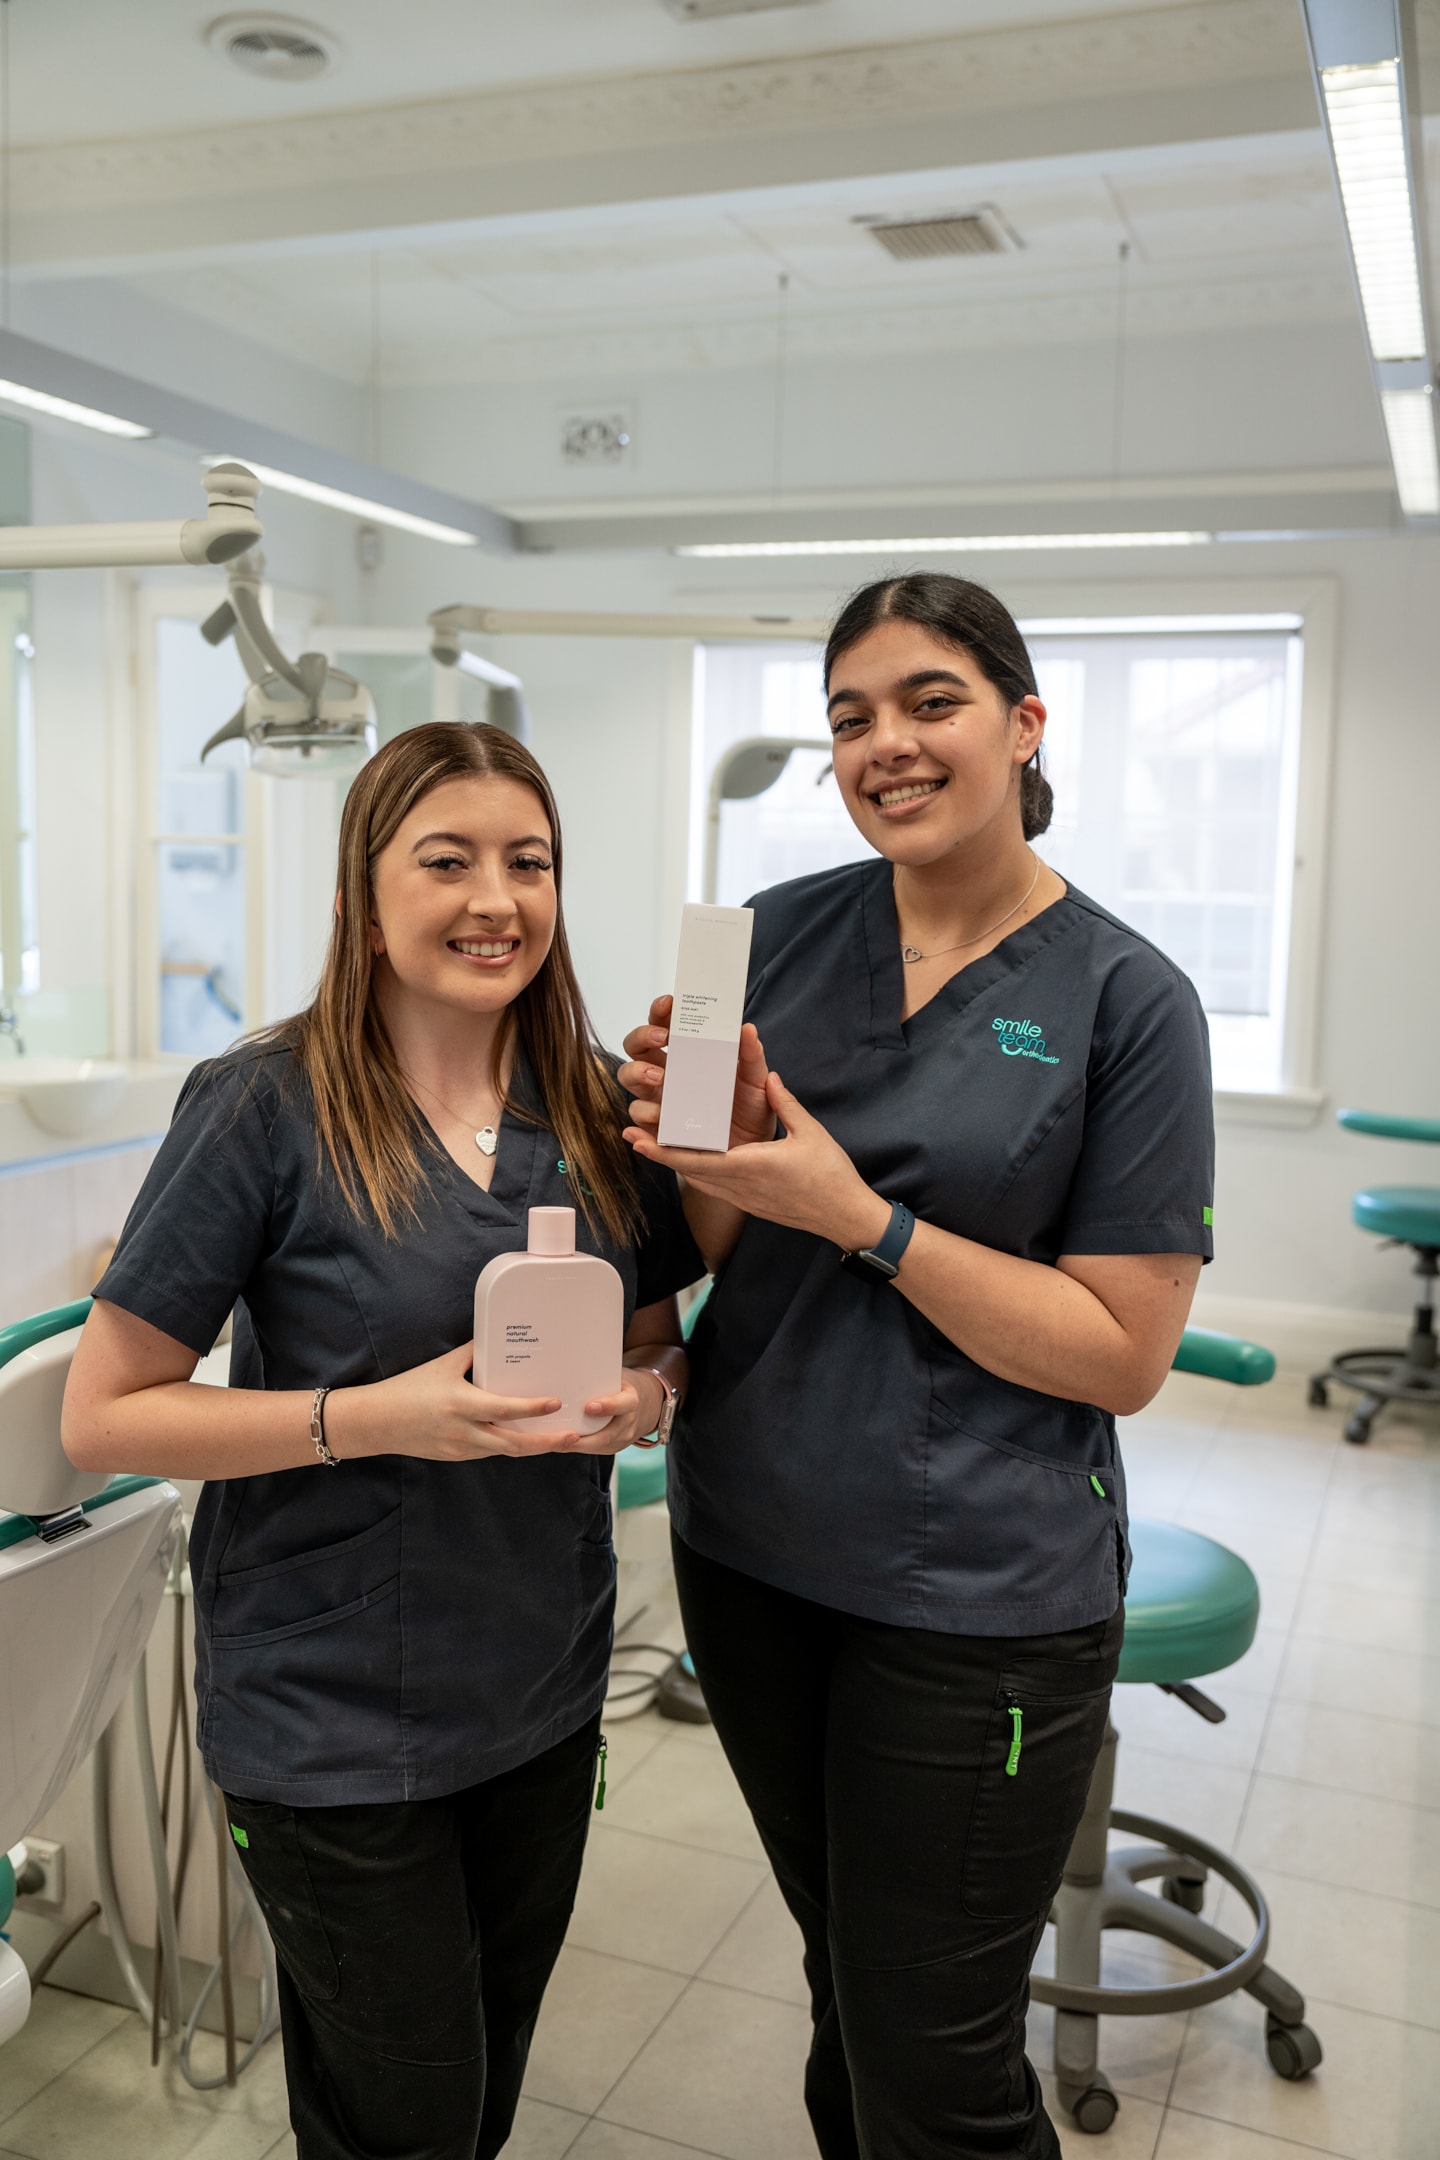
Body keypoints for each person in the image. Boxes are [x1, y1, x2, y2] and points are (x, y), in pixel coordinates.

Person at [620, 574, 1214, 2160]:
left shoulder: (1125, 1000)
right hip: (749, 1550)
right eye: (850, 717)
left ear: (1024, 725)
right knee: (847, 1992)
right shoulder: (774, 939)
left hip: (978, 1603)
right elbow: (717, 1240)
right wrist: (712, 1143)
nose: (886, 742)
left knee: (938, 2059)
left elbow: (1122, 1353)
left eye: (929, 701)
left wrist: (860, 1217)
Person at [63, 721, 700, 2160]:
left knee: (479, 2096)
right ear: (364, 890)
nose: (499, 898)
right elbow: (104, 1412)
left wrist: (645, 1401)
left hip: (537, 1690)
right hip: (332, 1717)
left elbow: (659, 1339)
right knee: (400, 2120)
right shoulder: (264, 1106)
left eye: (529, 862)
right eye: (450, 860)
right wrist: (382, 1417)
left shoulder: (596, 1102)